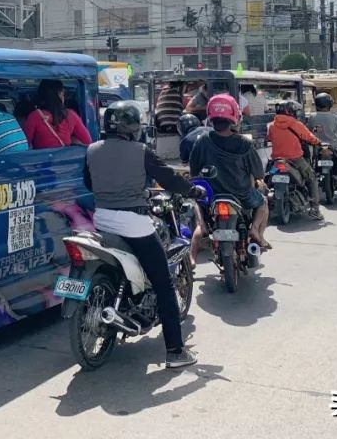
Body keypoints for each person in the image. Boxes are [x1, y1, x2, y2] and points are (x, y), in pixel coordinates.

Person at [84, 100, 203, 369]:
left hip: (102, 219)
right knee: (164, 283)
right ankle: (175, 351)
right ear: (133, 126)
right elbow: (169, 178)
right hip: (133, 223)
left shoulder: (91, 150)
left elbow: (88, 182)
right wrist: (193, 191)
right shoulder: (141, 151)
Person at [189, 94, 269, 254]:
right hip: (242, 196)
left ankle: (203, 226)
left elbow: (193, 170)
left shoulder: (202, 140)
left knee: (196, 203)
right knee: (263, 202)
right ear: (234, 117)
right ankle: (255, 230)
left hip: (212, 195)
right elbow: (258, 172)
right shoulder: (245, 143)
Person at [267, 100, 322, 219]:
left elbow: (269, 138)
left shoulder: (271, 125)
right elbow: (308, 136)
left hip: (276, 161)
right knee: (311, 179)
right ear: (290, 111)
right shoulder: (295, 123)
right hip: (295, 159)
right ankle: (315, 209)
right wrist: (317, 141)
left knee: (267, 177)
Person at [23, 79, 91, 149]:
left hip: (42, 159)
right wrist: (70, 140)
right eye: (63, 94)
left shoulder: (34, 116)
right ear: (60, 94)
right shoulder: (71, 115)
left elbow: (24, 145)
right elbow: (87, 141)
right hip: (66, 158)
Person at [306, 93, 337, 177]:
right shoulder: (334, 117)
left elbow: (308, 131)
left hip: (316, 147)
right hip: (334, 147)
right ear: (330, 104)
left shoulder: (312, 117)